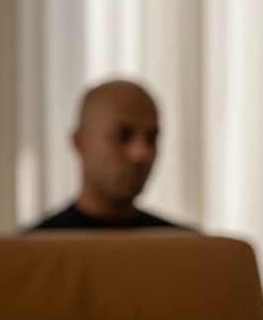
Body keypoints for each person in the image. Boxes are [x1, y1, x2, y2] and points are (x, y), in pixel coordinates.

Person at [30, 78, 184, 230]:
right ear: (80, 141)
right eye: (123, 136)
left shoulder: (189, 249)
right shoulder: (28, 252)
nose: (141, 153)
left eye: (151, 138)